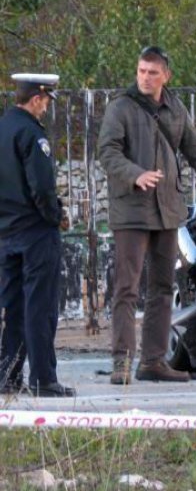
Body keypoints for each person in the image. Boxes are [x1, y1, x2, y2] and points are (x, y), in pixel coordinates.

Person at [98, 46, 196, 385]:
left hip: (167, 211)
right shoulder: (120, 107)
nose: (145, 77)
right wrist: (135, 174)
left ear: (166, 76)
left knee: (162, 286)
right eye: (141, 71)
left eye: (152, 72)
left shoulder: (175, 109)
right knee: (126, 289)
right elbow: (107, 152)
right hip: (131, 211)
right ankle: (121, 363)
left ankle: (152, 362)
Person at [0, 73, 76, 397]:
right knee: (40, 307)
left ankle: (8, 375)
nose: (46, 108)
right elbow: (42, 188)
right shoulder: (32, 134)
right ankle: (43, 378)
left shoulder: (3, 128)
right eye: (46, 101)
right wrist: (56, 216)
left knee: (14, 307)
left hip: (6, 233)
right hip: (35, 233)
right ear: (36, 98)